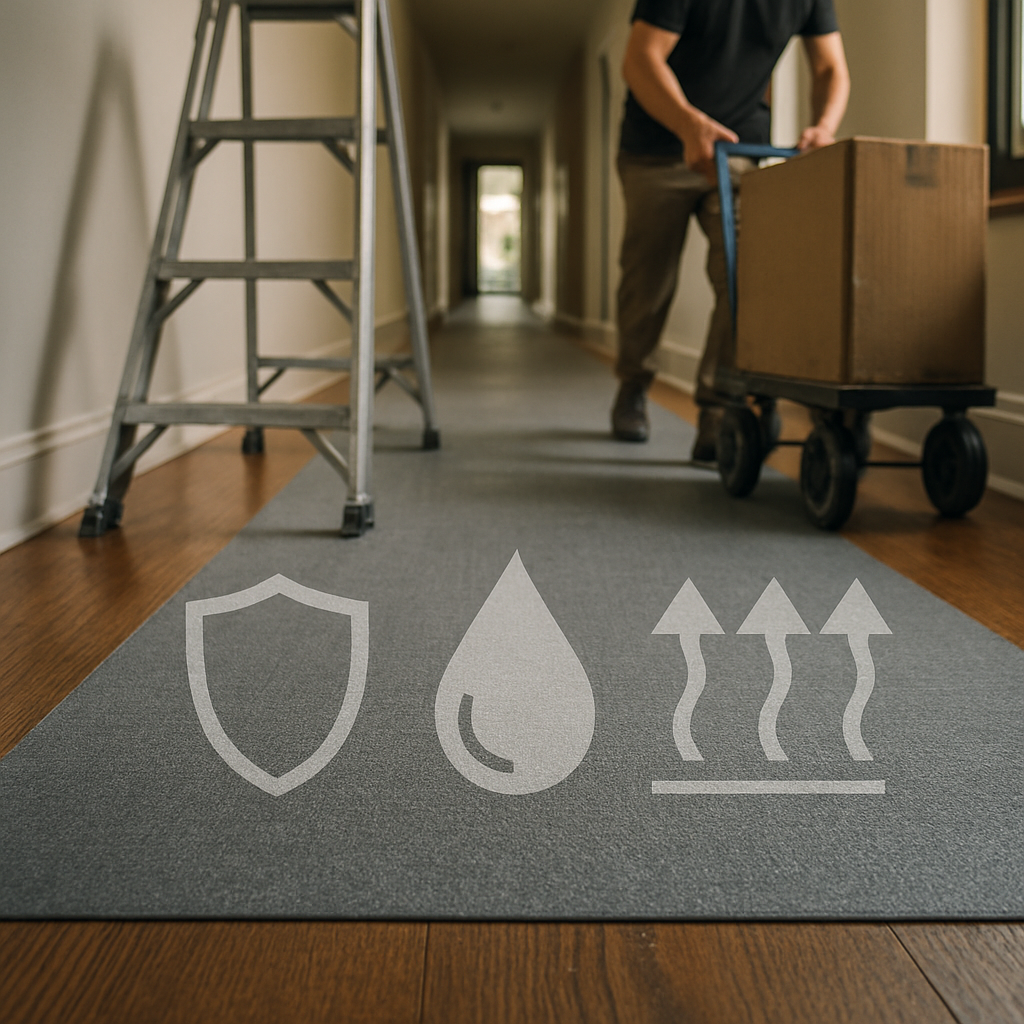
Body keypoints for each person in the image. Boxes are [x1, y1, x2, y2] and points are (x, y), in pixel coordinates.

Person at [611, 0, 850, 459]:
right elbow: (640, 59)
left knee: (746, 272)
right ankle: (633, 384)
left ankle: (720, 409)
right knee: (648, 282)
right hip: (658, 147)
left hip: (738, 146)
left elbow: (830, 68)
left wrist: (824, 127)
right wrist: (688, 123)